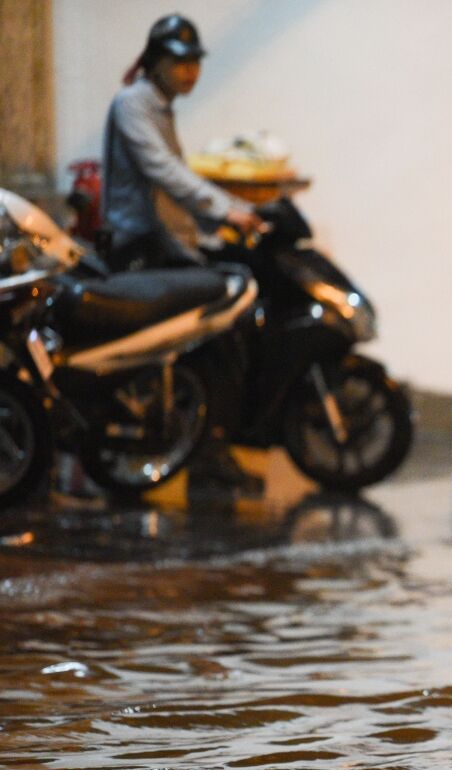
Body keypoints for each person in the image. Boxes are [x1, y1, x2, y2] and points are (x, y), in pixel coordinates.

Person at [101, 13, 264, 493]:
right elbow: (163, 172)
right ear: (155, 61)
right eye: (179, 61)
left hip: (164, 244)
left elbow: (177, 182)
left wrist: (230, 215)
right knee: (216, 333)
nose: (190, 71)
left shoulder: (159, 106)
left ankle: (208, 445)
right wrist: (227, 210)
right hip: (139, 250)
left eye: (195, 62)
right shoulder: (134, 104)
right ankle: (208, 452)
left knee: (225, 328)